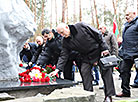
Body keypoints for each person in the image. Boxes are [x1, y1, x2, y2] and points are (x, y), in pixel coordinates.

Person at [50, 22, 112, 102]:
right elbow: (63, 56)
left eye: (62, 32)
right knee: (84, 72)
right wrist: (57, 69)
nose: (62, 35)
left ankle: (108, 96)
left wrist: (104, 48)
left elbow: (98, 35)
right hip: (85, 56)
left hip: (99, 51)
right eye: (59, 34)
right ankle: (88, 95)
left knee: (106, 72)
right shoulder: (65, 41)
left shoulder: (81, 26)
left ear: (66, 27)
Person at [116, 9, 138, 97]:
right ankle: (125, 91)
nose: (126, 16)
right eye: (125, 15)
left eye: (128, 14)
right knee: (124, 71)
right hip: (127, 53)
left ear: (134, 14)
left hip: (136, 53)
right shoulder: (126, 25)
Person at [98, 25, 118, 100]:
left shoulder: (110, 35)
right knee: (103, 76)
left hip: (109, 58)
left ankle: (109, 95)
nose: (99, 29)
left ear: (105, 28)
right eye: (98, 28)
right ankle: (106, 91)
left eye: (101, 28)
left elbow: (115, 46)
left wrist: (114, 57)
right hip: (101, 58)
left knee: (108, 77)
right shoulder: (99, 35)